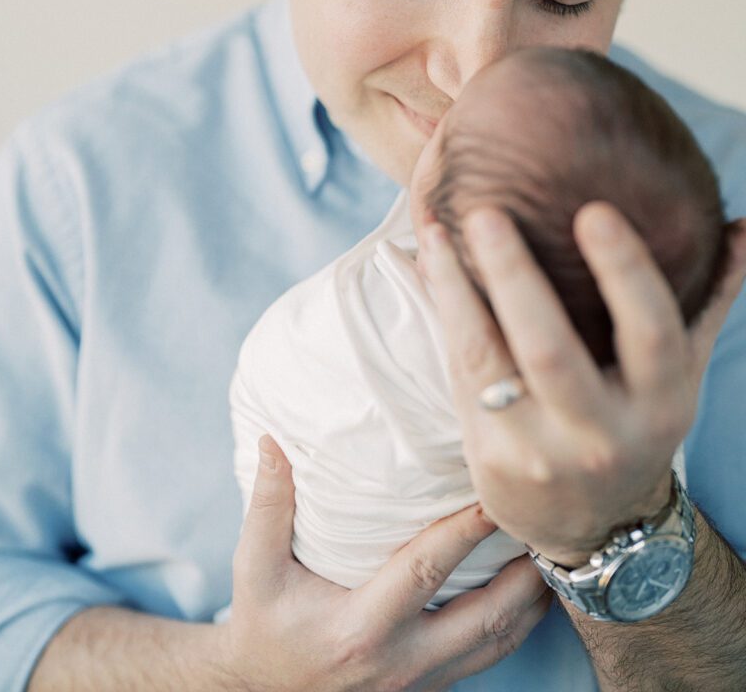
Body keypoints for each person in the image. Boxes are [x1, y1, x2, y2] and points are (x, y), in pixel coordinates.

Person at [0, 0, 745, 690]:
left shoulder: (723, 202)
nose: (477, 74)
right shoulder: (78, 188)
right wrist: (229, 675)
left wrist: (629, 530)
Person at [228, 46, 724, 610]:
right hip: (489, 585)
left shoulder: (368, 305)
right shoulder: (641, 406)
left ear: (431, 215)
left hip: (319, 548)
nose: (471, 70)